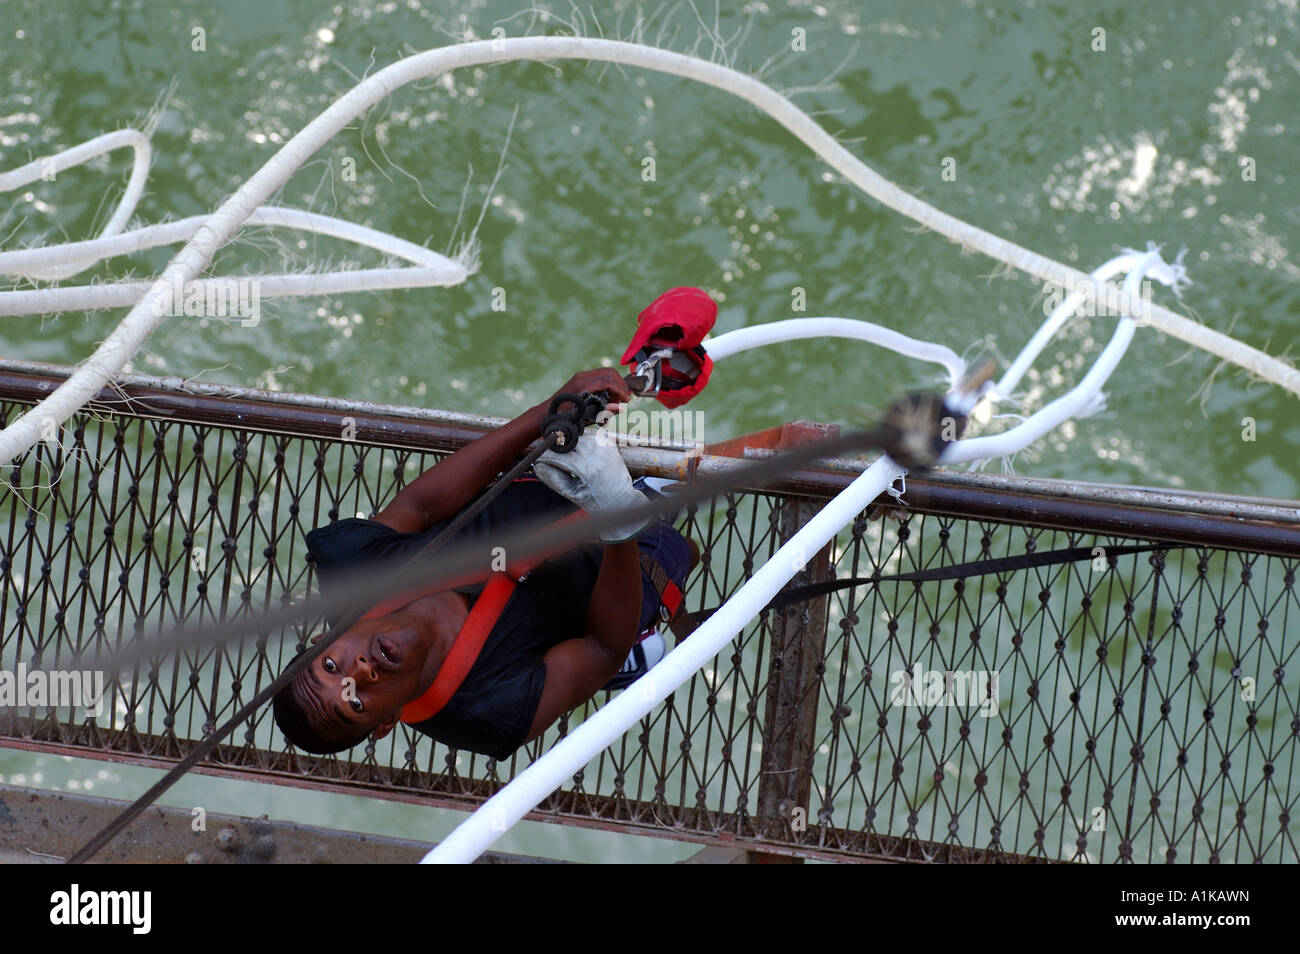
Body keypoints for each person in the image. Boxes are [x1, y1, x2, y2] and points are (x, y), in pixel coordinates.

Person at [272, 367, 697, 761]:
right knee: (702, 511)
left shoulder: (353, 572)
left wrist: (548, 411)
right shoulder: (487, 712)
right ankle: (636, 653)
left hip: (547, 488)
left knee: (654, 453)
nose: (361, 672)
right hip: (623, 564)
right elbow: (602, 647)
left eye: (331, 666)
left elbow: (421, 506)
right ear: (386, 724)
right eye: (357, 703)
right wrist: (618, 515)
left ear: (320, 640)